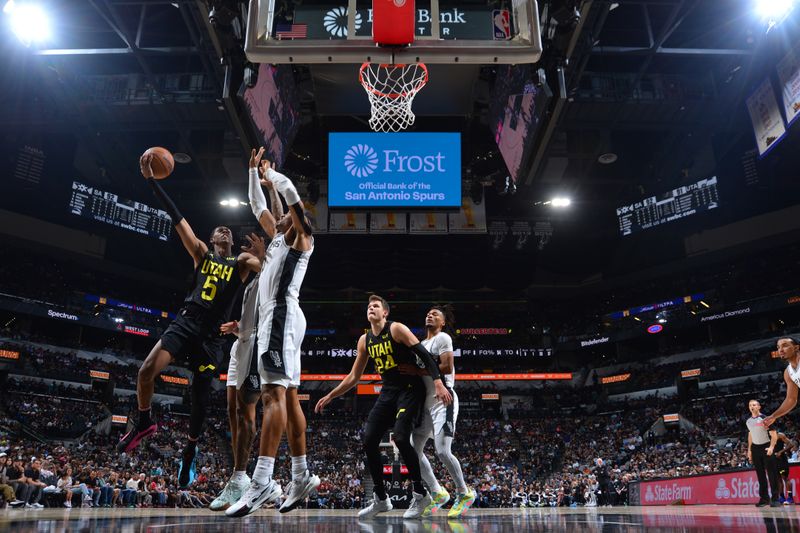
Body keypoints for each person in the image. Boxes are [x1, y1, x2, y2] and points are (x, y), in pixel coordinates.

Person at [118, 153, 263, 489]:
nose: (224, 230)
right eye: (219, 229)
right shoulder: (200, 252)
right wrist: (153, 182)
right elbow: (176, 216)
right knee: (145, 372)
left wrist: (264, 252)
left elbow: (268, 270)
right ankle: (143, 422)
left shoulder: (240, 262)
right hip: (186, 321)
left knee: (200, 397)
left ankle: (191, 449)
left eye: (228, 229)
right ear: (213, 240)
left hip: (211, 338)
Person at [226, 148, 320, 517]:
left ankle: (263, 478)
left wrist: (275, 178)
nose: (275, 219)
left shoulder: (302, 238)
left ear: (295, 222)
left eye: (284, 217)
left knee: (271, 395)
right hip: (278, 319)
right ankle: (300, 474)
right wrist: (255, 174)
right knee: (291, 396)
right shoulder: (279, 238)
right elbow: (255, 204)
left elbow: (293, 199)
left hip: (280, 316)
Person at [315, 295, 453, 520]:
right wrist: (331, 394)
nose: (371, 308)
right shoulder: (364, 340)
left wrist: (438, 382)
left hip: (410, 388)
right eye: (369, 306)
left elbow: (426, 356)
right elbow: (354, 376)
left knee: (400, 437)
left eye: (376, 306)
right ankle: (380, 498)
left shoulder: (397, 329)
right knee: (369, 439)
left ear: (385, 313)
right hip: (388, 390)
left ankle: (420, 493)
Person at [209, 231, 267, 511]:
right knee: (231, 409)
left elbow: (272, 272)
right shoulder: (248, 280)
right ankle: (238, 477)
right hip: (240, 343)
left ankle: (241, 476)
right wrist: (238, 327)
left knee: (246, 411)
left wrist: (262, 253)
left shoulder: (266, 273)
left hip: (256, 344)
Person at [410, 305, 475, 518]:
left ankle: (464, 493)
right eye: (428, 312)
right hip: (424, 403)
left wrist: (416, 370)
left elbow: (446, 367)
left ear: (443, 322)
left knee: (442, 451)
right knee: (411, 449)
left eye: (435, 314)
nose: (430, 314)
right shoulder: (420, 344)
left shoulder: (443, 338)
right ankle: (437, 491)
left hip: (442, 399)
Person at [746, 399, 780, 507]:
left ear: (759, 407)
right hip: (755, 449)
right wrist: (749, 450)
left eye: (755, 405)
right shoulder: (748, 421)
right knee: (760, 475)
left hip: (766, 446)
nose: (752, 406)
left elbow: (774, 434)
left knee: (772, 474)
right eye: (750, 405)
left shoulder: (765, 419)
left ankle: (775, 499)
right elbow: (750, 435)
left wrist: (771, 447)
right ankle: (764, 499)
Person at [764, 337, 800, 427]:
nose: (780, 350)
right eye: (778, 347)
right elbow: (791, 399)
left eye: (785, 346)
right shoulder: (788, 372)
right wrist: (774, 416)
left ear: (796, 348)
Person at [774, 431, 796, 504]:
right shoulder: (767, 437)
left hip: (781, 460)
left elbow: (791, 444)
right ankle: (782, 497)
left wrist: (781, 451)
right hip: (774, 461)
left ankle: (790, 497)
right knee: (778, 480)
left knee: (785, 478)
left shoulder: (780, 435)